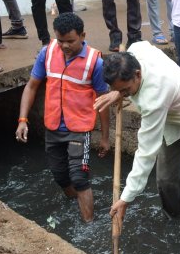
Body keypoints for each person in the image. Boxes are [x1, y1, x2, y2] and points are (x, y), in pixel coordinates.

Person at [94, 43, 180, 242]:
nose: (124, 94)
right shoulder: (137, 50)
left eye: (126, 90)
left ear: (138, 74)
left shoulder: (154, 95)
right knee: (165, 180)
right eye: (118, 90)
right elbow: (140, 44)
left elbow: (146, 151)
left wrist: (125, 198)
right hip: (170, 119)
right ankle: (174, 220)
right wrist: (118, 91)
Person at [16, 13, 110, 222]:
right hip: (53, 126)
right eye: (60, 40)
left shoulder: (95, 62)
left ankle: (89, 224)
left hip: (78, 129)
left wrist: (105, 137)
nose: (65, 46)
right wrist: (23, 120)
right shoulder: (47, 53)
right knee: (60, 176)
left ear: (83, 35)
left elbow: (103, 101)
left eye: (70, 41)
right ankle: (76, 203)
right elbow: (32, 86)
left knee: (79, 177)